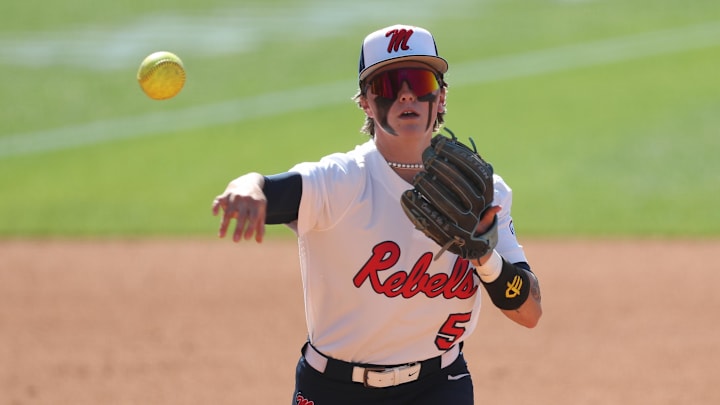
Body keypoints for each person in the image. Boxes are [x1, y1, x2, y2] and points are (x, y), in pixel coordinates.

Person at [212, 24, 542, 405]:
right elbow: (268, 187)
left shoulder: (483, 192)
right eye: (389, 85)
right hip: (334, 390)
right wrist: (247, 186)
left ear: (441, 96)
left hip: (440, 385)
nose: (406, 95)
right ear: (366, 102)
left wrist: (484, 257)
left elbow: (529, 312)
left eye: (419, 81)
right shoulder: (342, 181)